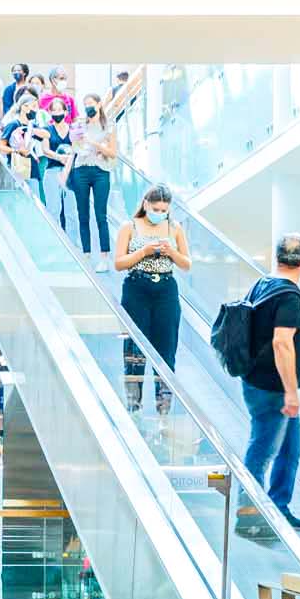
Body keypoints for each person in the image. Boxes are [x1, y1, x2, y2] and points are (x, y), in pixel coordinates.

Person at [240, 233, 300, 532]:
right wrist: (291, 392)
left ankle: (279, 506)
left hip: (257, 380)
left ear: (277, 257)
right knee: (263, 448)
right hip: (273, 388)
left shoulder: (263, 284)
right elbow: (283, 344)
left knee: (290, 447)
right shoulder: (289, 295)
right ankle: (248, 516)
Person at [113, 185, 191, 411]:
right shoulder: (129, 227)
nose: (160, 213)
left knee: (166, 351)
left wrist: (171, 252)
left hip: (166, 289)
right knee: (135, 351)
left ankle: (164, 410)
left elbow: (186, 264)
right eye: (156, 208)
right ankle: (134, 407)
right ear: (146, 204)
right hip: (136, 288)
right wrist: (144, 252)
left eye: (164, 210)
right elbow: (119, 263)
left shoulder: (174, 228)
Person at [66, 98, 117, 255]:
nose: (88, 107)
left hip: (101, 171)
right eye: (86, 104)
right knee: (83, 214)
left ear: (99, 104)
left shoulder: (109, 126)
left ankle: (104, 255)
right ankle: (86, 253)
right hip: (81, 170)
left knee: (101, 213)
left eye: (91, 104)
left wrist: (95, 144)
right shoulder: (80, 125)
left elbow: (113, 153)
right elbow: (75, 147)